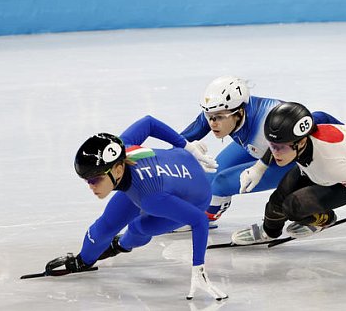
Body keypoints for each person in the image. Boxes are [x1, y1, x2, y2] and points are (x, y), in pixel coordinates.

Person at [42, 115, 228, 301]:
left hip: (195, 198)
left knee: (140, 228)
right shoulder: (122, 148)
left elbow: (200, 220)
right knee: (105, 226)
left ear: (117, 170)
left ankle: (121, 245)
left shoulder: (150, 198)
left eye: (95, 179)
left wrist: (198, 270)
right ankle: (84, 260)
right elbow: (148, 123)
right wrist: (187, 146)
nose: (91, 186)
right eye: (86, 180)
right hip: (176, 161)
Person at [231, 102, 346, 280]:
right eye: (271, 145)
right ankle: (270, 232)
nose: (275, 152)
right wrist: (259, 168)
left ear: (302, 141)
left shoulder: (330, 164)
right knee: (278, 199)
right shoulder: (296, 141)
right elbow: (278, 142)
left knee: (294, 207)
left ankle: (324, 218)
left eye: (281, 147)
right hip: (334, 156)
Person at [180, 76, 341, 224]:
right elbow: (181, 137)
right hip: (264, 145)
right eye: (209, 115)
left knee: (221, 184)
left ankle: (319, 213)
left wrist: (260, 167)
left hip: (292, 156)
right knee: (210, 175)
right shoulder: (221, 110)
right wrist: (186, 147)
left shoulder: (268, 118)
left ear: (240, 112)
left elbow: (318, 117)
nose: (212, 123)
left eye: (219, 117)